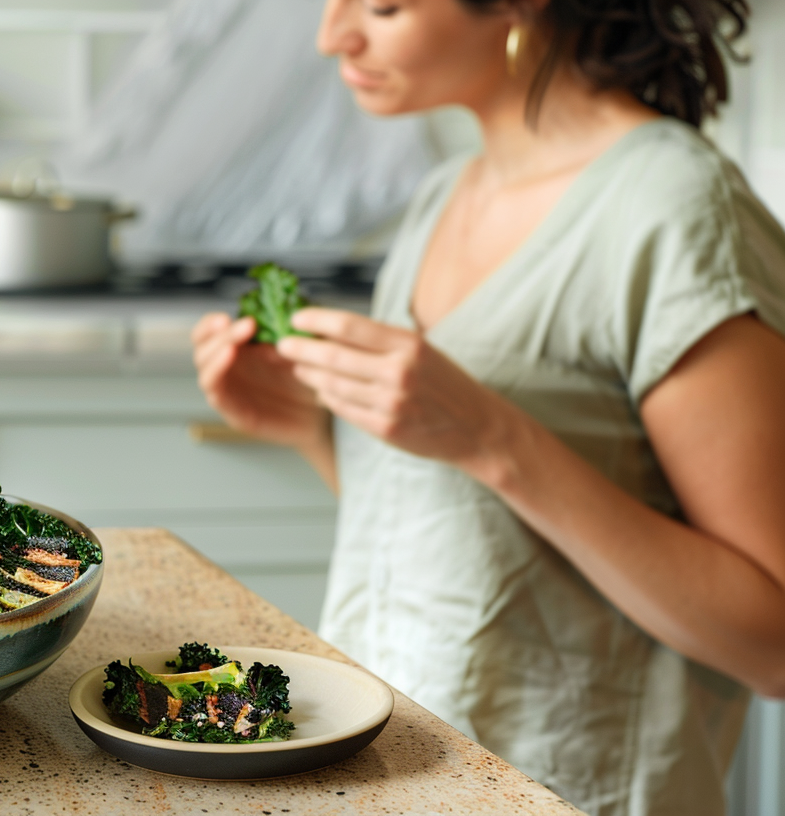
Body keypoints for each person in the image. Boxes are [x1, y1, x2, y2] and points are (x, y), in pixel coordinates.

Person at [191, 1, 785, 814]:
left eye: (383, 6)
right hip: (389, 782)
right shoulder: (443, 198)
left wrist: (495, 438)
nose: (334, 36)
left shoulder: (675, 206)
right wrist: (310, 430)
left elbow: (774, 642)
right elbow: (465, 543)